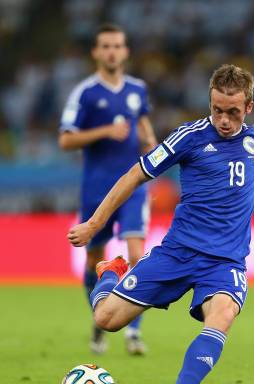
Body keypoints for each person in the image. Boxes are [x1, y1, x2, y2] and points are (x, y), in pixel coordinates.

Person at [67, 65, 254, 384]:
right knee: (106, 320)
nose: (224, 120)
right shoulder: (190, 137)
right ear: (210, 102)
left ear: (249, 107)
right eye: (217, 110)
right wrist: (95, 224)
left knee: (224, 313)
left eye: (232, 112)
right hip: (177, 253)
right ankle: (111, 272)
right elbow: (136, 174)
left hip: (224, 263)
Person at [59, 23, 157, 355]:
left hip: (133, 185)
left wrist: (150, 141)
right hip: (97, 190)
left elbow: (142, 122)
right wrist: (104, 131)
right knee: (95, 262)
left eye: (117, 45)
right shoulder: (85, 92)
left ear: (125, 51)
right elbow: (65, 138)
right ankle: (99, 320)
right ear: (96, 52)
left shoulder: (137, 89)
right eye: (106, 46)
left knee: (135, 254)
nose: (112, 51)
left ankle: (133, 331)